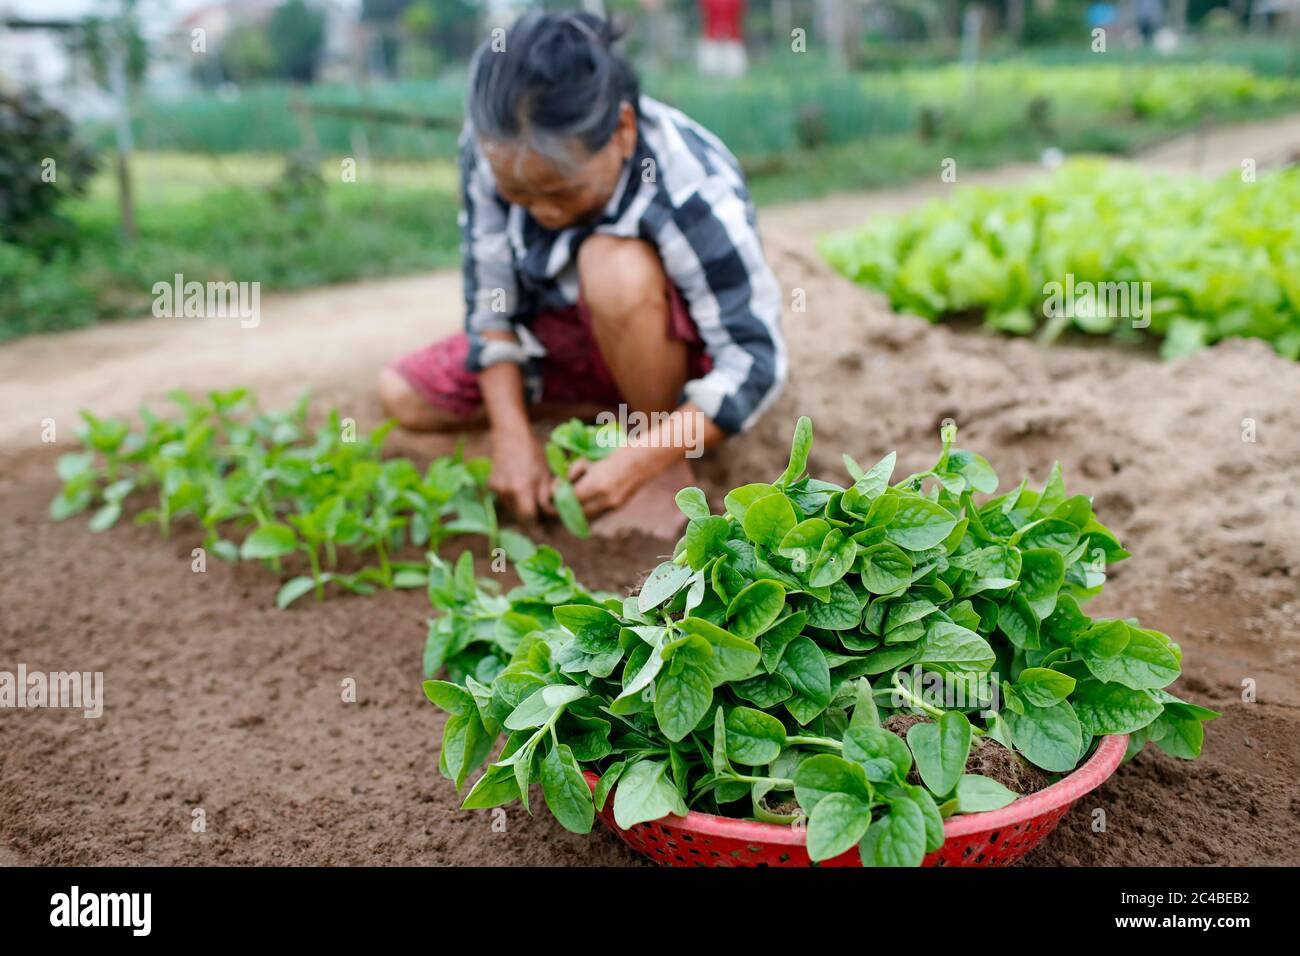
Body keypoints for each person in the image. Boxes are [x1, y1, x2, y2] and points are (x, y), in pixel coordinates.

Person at [379, 11, 785, 528]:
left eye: (561, 192)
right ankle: (591, 424)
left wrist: (643, 456)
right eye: (517, 196)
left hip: (669, 344)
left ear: (622, 129)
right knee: (404, 395)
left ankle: (660, 456)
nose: (541, 211)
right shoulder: (494, 148)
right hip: (564, 335)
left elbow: (754, 360)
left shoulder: (689, 184)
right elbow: (491, 304)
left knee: (612, 267)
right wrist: (510, 434)